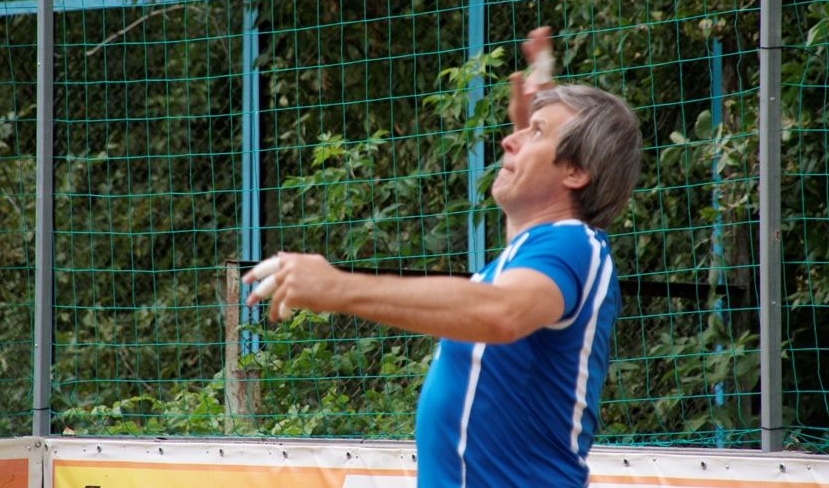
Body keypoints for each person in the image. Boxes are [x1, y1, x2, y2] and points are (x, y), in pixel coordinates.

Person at [244, 27, 641, 487]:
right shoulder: (530, 253)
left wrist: (337, 287)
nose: (508, 142)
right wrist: (537, 116)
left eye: (534, 134)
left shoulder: (575, 244)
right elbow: (527, 229)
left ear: (575, 171)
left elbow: (501, 313)